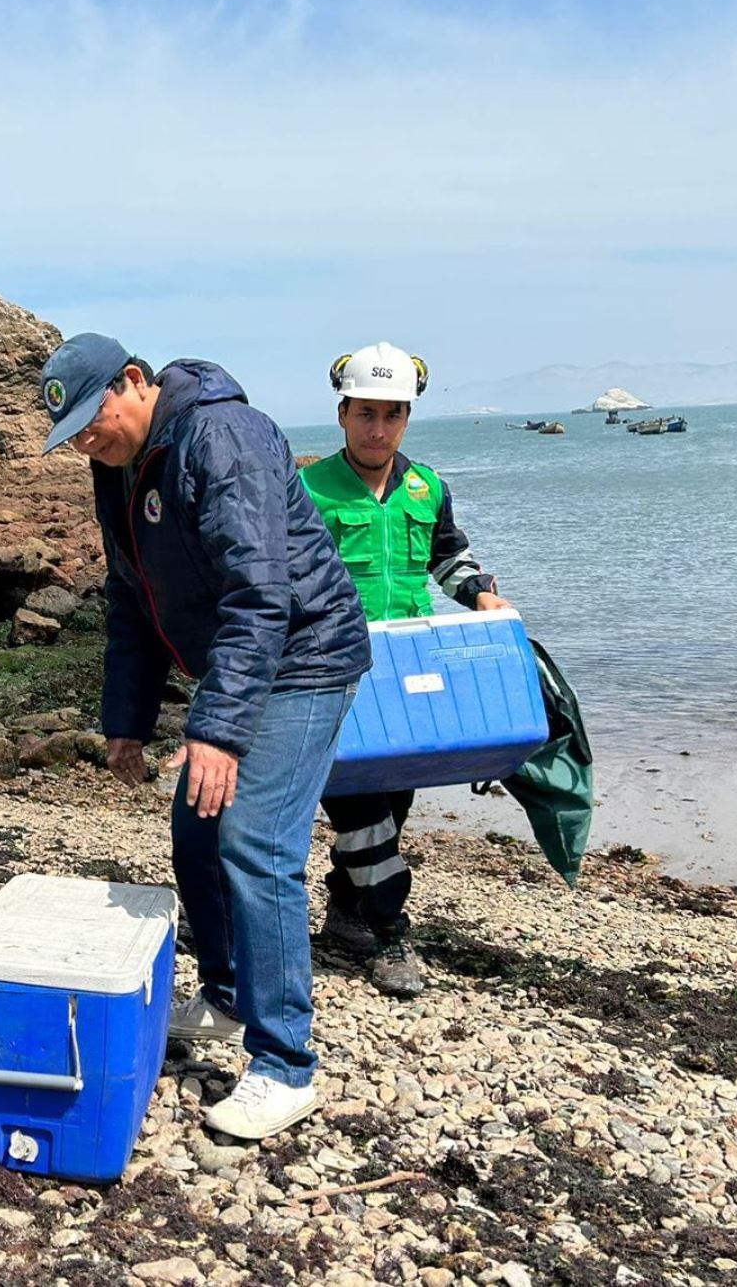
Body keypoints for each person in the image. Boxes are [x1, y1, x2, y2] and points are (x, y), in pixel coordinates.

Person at [40, 332, 371, 1140]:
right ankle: (225, 995)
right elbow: (131, 600)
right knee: (196, 831)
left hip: (306, 654)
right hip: (242, 664)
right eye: (74, 433)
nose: (89, 439)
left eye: (94, 419)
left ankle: (286, 1064)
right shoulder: (115, 467)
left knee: (256, 845)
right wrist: (128, 722)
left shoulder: (222, 436)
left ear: (131, 381)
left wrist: (217, 732)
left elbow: (262, 594)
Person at [300, 342, 513, 997]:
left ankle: (343, 914)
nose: (378, 428)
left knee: (390, 809)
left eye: (392, 415)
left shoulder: (427, 488)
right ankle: (394, 937)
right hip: (335, 674)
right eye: (366, 413)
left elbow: (449, 558)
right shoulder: (307, 490)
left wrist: (479, 593)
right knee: (363, 815)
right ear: (342, 414)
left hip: (412, 673)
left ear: (407, 419)